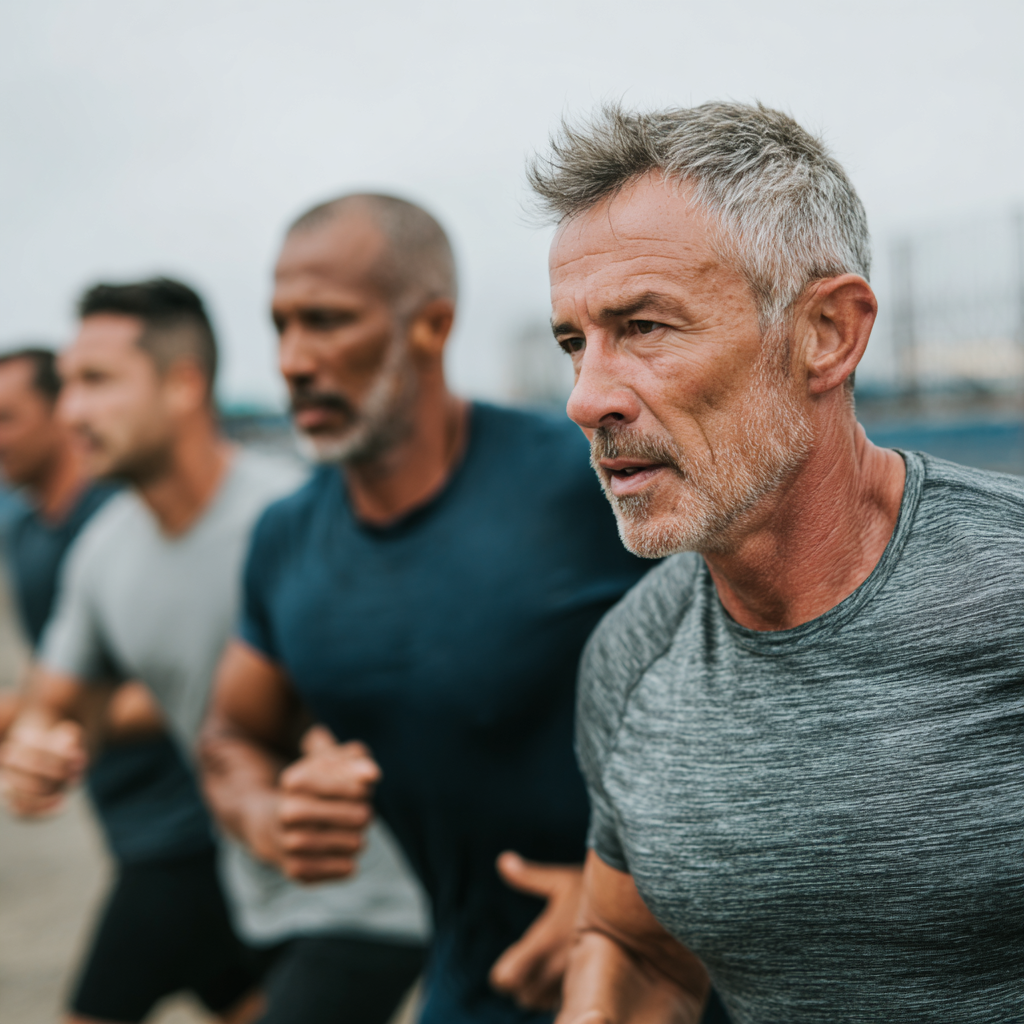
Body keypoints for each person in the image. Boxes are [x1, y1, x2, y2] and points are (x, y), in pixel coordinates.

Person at [523, 101, 1024, 1023]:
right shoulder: (634, 655)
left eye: (645, 326)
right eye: (573, 343)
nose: (586, 398)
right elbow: (639, 947)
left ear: (826, 332)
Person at [197, 193, 655, 1024]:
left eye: (326, 321)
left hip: (670, 978)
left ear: (432, 327)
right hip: (471, 982)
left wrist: (627, 892)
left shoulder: (586, 483)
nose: (293, 360)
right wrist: (270, 814)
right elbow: (233, 737)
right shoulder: (285, 540)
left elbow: (773, 697)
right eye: (281, 326)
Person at [0, 279, 429, 1024]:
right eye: (67, 386)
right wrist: (37, 749)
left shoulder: (298, 516)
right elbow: (57, 705)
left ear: (183, 386)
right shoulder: (101, 552)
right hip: (243, 889)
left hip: (369, 899)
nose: (71, 412)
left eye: (97, 382)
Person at [0, 346, 238, 1022]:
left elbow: (196, 674)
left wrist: (36, 720)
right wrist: (36, 719)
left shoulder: (121, 523)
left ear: (61, 414)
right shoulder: (24, 532)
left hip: (184, 831)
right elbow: (62, 674)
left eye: (7, 418)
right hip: (124, 818)